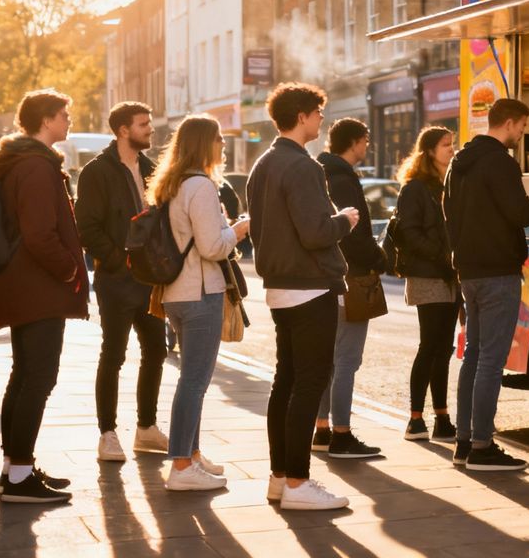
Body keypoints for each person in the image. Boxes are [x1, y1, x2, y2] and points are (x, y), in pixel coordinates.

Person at [247, 83, 358, 511]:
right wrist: (344, 221)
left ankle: (279, 478)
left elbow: (262, 229)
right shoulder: (304, 167)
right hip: (310, 286)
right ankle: (297, 482)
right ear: (302, 117)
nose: (321, 120)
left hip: (279, 287)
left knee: (287, 381)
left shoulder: (263, 164)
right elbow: (315, 232)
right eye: (317, 113)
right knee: (310, 382)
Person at [446, 99, 529, 471]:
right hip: (498, 272)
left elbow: (450, 216)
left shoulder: (458, 162)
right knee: (491, 361)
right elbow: (520, 213)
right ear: (509, 123)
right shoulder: (500, 163)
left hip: (470, 271)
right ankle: (482, 447)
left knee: (475, 356)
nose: (522, 134)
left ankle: (464, 442)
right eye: (523, 127)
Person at [0, 89, 88, 504]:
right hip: (39, 287)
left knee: (24, 376)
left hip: (26, 285)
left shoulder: (28, 162)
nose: (68, 121)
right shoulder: (35, 167)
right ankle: (18, 478)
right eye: (64, 115)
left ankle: (16, 467)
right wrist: (69, 268)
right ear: (46, 120)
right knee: (39, 378)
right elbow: (38, 234)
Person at [149, 115, 250, 491]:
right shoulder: (201, 186)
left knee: (191, 380)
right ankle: (180, 466)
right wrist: (238, 230)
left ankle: (190, 457)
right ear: (203, 144)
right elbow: (212, 246)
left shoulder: (172, 185)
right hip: (200, 292)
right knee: (194, 381)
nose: (223, 144)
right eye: (219, 139)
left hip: (176, 293)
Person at [75, 101, 169, 463]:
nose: (150, 129)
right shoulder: (97, 171)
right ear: (123, 130)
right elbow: (88, 227)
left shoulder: (151, 168)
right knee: (113, 355)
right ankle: (108, 433)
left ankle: (146, 429)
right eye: (143, 124)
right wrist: (118, 260)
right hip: (117, 279)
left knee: (156, 352)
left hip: (152, 278)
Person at [310, 118, 384, 459]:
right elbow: (352, 234)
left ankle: (323, 430)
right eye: (365, 140)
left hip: (332, 277)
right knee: (346, 360)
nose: (366, 146)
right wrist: (380, 257)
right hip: (351, 278)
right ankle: (341, 434)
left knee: (329, 359)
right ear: (355, 141)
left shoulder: (324, 173)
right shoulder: (342, 179)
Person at [394, 126, 458, 443]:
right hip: (428, 275)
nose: (452, 149)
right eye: (446, 145)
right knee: (429, 346)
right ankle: (415, 419)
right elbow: (410, 233)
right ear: (429, 151)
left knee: (444, 349)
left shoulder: (450, 185)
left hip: (450, 276)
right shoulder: (415, 189)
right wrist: (442, 255)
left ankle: (442, 417)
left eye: (452, 144)